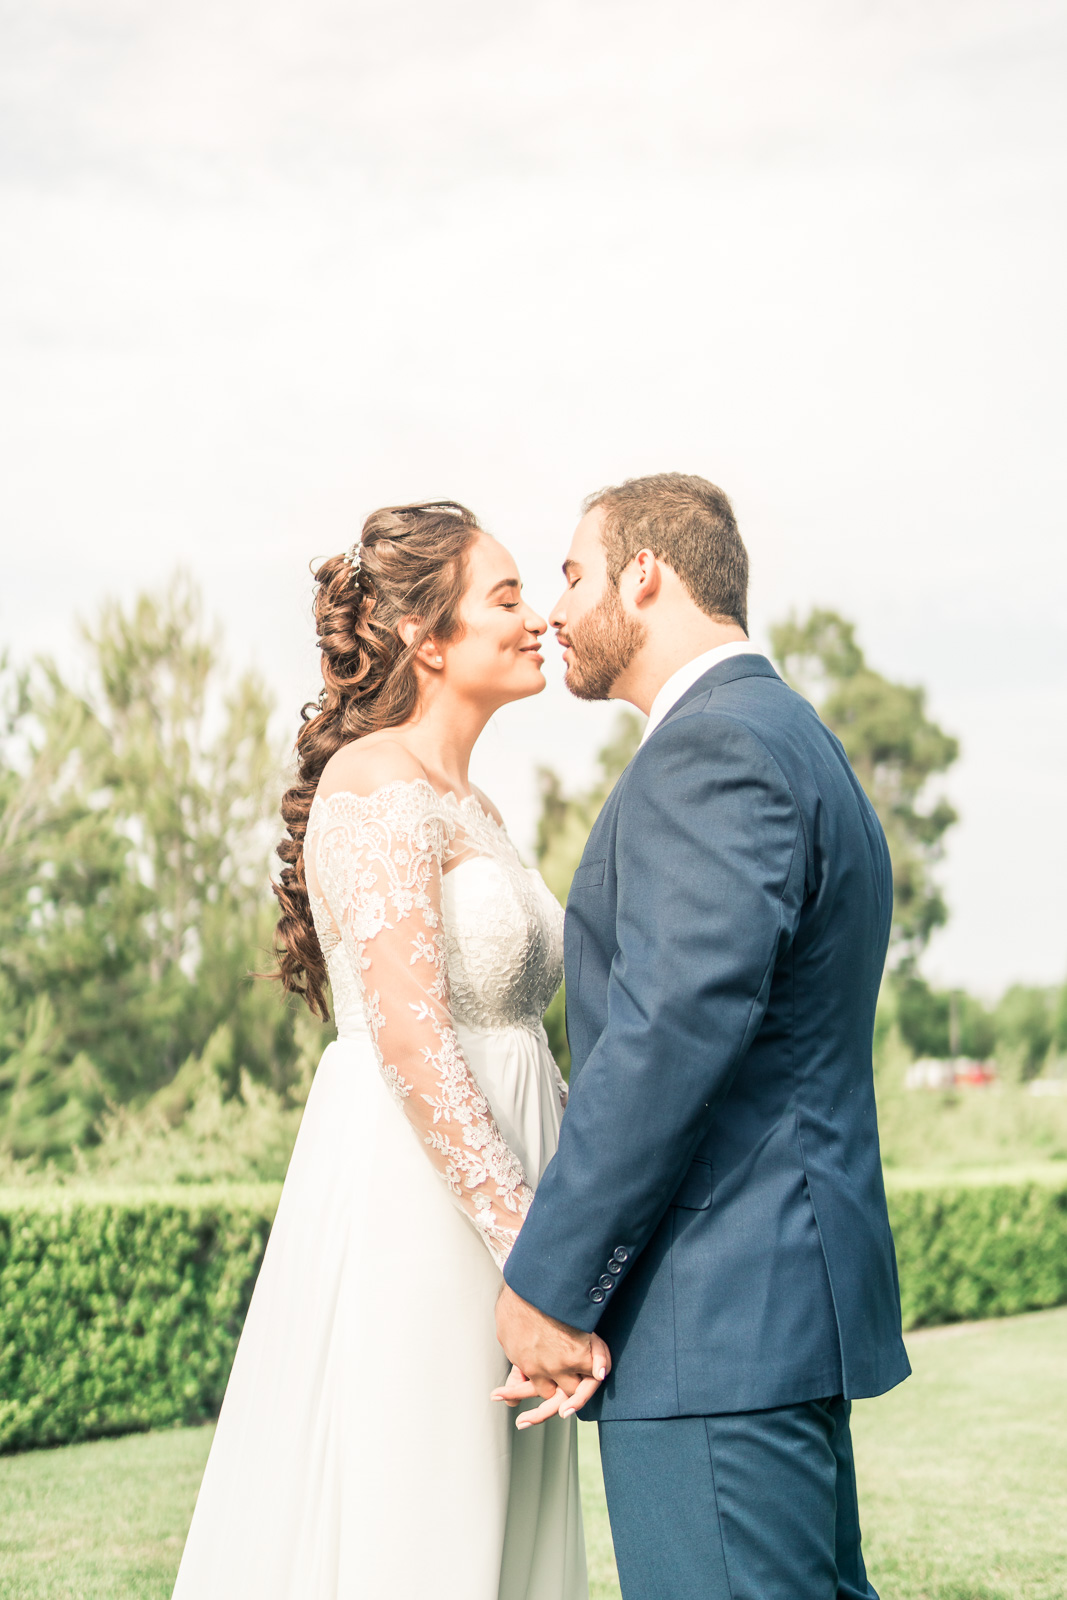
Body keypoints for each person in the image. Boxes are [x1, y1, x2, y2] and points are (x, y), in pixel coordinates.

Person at [494, 473, 911, 1599]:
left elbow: (666, 1033)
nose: (554, 609)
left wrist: (551, 1281)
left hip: (714, 1323)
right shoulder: (791, 735)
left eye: (573, 575)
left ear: (645, 573)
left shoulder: (710, 750)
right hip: (768, 1316)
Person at [172, 501, 593, 1600]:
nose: (537, 617)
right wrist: (527, 1251)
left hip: (507, 1197)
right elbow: (409, 1032)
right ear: (426, 635)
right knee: (422, 1519)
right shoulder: (375, 781)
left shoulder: (476, 803)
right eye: (505, 597)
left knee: (498, 1524)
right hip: (424, 1205)